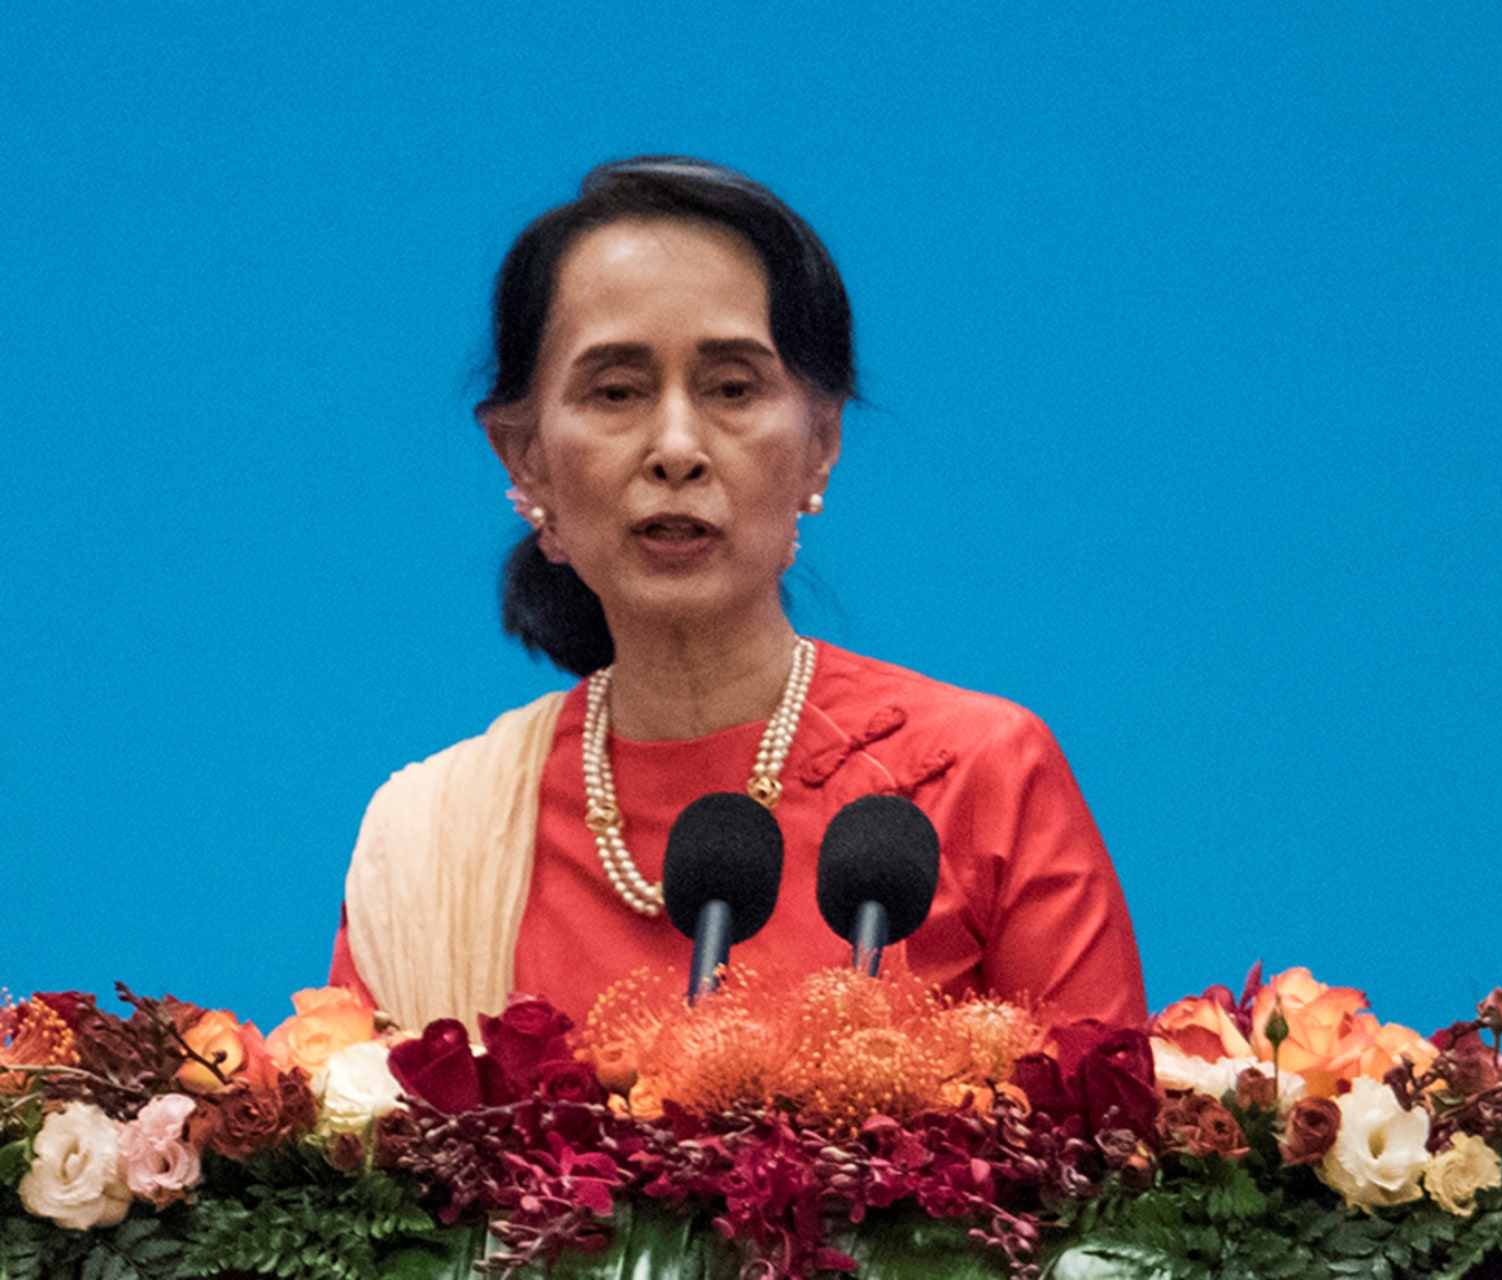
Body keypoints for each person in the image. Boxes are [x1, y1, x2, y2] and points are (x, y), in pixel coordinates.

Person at [328, 157, 1146, 1033]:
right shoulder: (436, 845)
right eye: (616, 392)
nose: (676, 446)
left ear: (820, 443)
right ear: (523, 458)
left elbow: (1114, 1158)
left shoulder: (980, 777)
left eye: (730, 389)